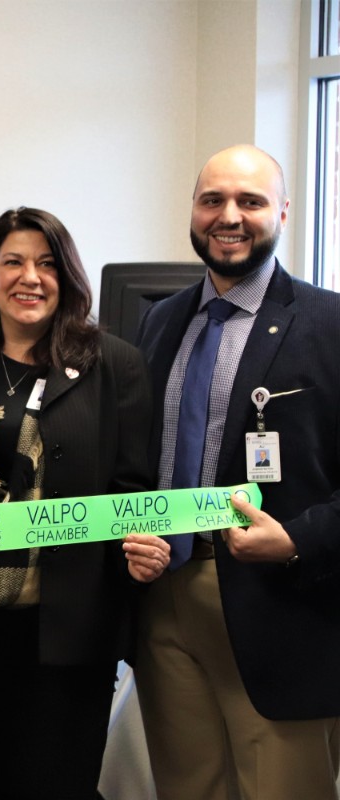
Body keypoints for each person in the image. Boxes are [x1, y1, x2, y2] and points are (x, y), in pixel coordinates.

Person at [0, 206, 170, 799]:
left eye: (45, 263)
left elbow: (133, 488)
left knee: (54, 783)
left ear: (67, 277)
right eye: (12, 262)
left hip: (65, 628)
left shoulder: (113, 364)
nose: (29, 277)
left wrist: (140, 553)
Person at [133, 144, 340, 800]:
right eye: (212, 200)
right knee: (187, 787)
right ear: (193, 213)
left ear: (281, 211)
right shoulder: (159, 323)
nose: (230, 215)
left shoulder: (330, 325)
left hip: (280, 606)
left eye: (250, 201)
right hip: (163, 600)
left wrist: (298, 539)